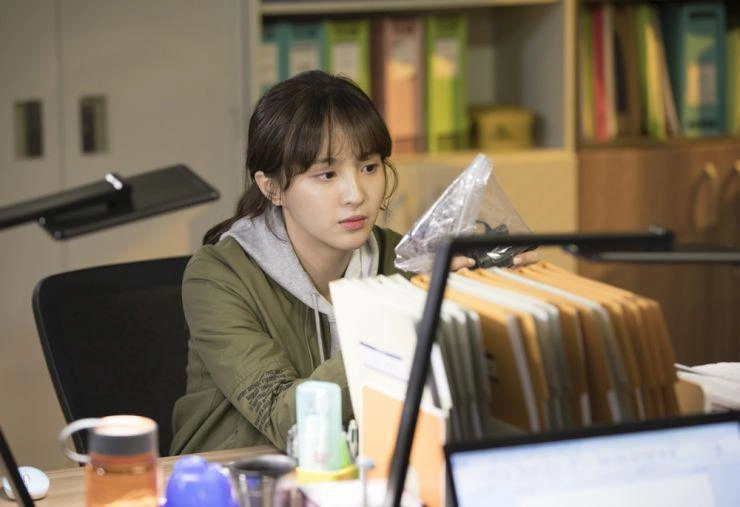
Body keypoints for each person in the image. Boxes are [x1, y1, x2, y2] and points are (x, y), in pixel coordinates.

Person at [170, 70, 537, 455]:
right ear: (272, 188)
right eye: (327, 174)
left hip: (363, 470)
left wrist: (495, 300)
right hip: (235, 474)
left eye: (369, 167)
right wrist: (409, 309)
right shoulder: (218, 276)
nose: (356, 194)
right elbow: (289, 419)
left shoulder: (404, 260)